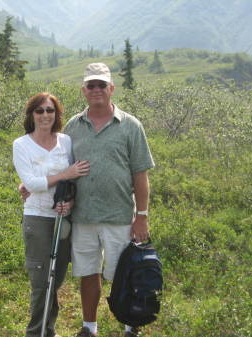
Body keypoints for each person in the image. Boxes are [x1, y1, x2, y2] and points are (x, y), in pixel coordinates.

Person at [20, 63, 155, 337]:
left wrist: (141, 215)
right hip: (81, 216)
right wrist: (31, 184)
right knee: (88, 272)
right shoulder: (73, 126)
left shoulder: (131, 126)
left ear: (111, 88)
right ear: (83, 90)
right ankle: (89, 328)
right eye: (91, 85)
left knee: (122, 274)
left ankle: (130, 326)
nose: (96, 90)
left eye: (101, 85)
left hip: (119, 215)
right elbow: (62, 165)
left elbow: (140, 175)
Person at [13, 92, 90, 337]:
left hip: (62, 217)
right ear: (31, 115)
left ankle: (49, 329)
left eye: (50, 110)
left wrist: (71, 202)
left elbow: (77, 179)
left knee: (55, 278)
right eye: (40, 110)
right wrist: (63, 175)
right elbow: (33, 183)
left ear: (56, 114)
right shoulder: (21, 144)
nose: (45, 115)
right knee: (40, 280)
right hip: (37, 217)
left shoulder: (66, 141)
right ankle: (36, 333)